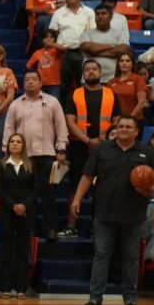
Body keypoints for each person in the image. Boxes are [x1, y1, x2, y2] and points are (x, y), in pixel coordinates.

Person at [71, 116, 154, 305]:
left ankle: (130, 299)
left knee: (131, 257)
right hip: (104, 212)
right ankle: (95, 298)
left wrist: (149, 190)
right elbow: (87, 176)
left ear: (136, 131)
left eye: (128, 127)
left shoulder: (146, 152)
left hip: (133, 214)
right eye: (121, 126)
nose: (123, 129)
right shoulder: (102, 150)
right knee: (101, 255)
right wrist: (77, 199)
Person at [1, 70, 68, 242]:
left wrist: (61, 149)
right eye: (27, 79)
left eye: (33, 79)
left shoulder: (51, 102)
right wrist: (7, 153)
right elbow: (8, 129)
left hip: (47, 155)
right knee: (25, 194)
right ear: (23, 84)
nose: (30, 82)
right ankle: (28, 228)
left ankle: (51, 227)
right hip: (23, 157)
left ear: (40, 83)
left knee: (48, 193)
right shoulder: (16, 104)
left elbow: (61, 126)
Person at [61, 60, 119, 238]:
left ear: (101, 73)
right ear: (83, 74)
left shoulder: (110, 94)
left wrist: (105, 139)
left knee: (103, 188)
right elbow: (70, 121)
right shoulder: (75, 94)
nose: (91, 72)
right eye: (87, 69)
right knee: (75, 186)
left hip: (106, 147)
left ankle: (98, 227)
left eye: (94, 69)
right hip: (80, 147)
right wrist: (87, 140)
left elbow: (116, 120)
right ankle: (71, 226)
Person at [0, 133, 35, 298]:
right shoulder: (1, 165)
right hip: (6, 212)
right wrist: (13, 206)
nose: (15, 144)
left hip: (26, 212)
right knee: (6, 249)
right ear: (8, 145)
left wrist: (24, 205)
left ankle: (21, 288)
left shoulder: (30, 165)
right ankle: (5, 287)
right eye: (12, 141)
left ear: (23, 145)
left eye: (18, 142)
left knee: (22, 249)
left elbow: (36, 189)